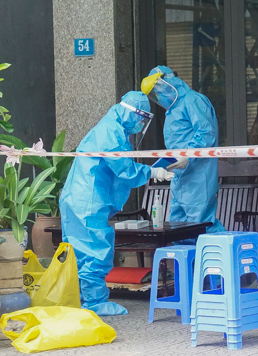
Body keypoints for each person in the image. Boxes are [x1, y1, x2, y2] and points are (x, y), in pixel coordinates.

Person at [60, 91, 175, 316]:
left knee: (80, 253)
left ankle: (83, 301)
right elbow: (125, 170)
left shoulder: (112, 127)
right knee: (94, 251)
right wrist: (152, 171)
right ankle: (94, 303)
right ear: (131, 113)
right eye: (141, 118)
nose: (141, 124)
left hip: (78, 198)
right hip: (88, 200)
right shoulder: (111, 133)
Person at [141, 66, 224, 235]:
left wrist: (188, 156)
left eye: (157, 88)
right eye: (153, 93)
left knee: (201, 225)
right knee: (177, 227)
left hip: (199, 176)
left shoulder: (193, 100)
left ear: (168, 81)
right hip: (180, 177)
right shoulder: (172, 110)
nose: (157, 95)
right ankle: (184, 262)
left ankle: (216, 259)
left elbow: (206, 133)